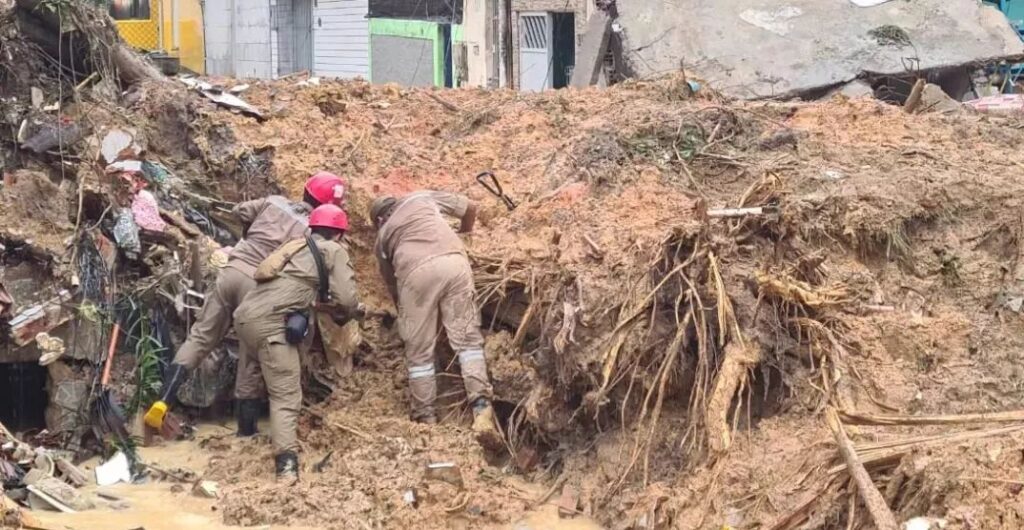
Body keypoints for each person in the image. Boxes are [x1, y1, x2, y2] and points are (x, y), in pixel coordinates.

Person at [144, 172, 347, 437]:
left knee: (200, 338)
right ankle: (245, 432)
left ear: (306, 191)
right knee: (249, 360)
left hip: (231, 272)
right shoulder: (313, 232)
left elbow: (240, 211)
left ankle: (162, 401)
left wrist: (253, 232)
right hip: (259, 287)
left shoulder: (274, 202)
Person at [234, 204, 361, 482]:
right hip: (270, 324)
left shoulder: (294, 245)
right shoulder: (333, 250)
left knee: (253, 372)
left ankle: (243, 437)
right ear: (339, 234)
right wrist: (350, 313)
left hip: (245, 316)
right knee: (286, 395)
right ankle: (286, 467)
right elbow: (347, 299)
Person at [369, 191, 501, 449]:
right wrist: (464, 234)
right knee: (468, 342)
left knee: (419, 355)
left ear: (379, 221)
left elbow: (393, 286)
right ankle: (482, 407)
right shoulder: (421, 198)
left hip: (415, 274)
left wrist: (411, 316)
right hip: (455, 262)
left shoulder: (383, 239)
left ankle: (426, 418)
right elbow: (470, 207)